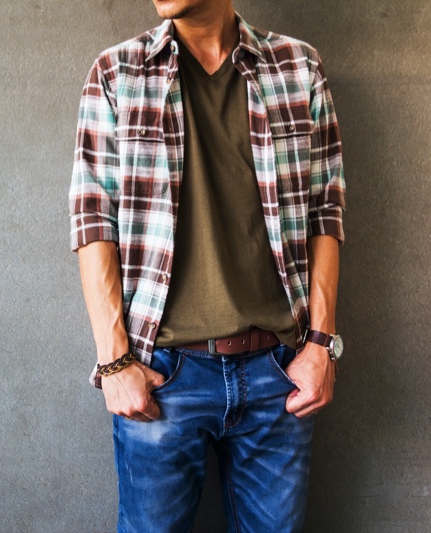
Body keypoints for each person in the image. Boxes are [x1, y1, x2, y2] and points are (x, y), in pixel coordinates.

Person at [69, 0, 346, 531]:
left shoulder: (298, 68)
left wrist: (320, 345)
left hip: (278, 376)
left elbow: (325, 213)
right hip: (162, 376)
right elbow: (91, 221)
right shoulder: (117, 73)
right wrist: (114, 364)